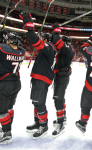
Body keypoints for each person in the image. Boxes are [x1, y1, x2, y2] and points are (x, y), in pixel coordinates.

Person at [19, 11, 58, 139]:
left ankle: (43, 125)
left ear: (46, 39)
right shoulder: (48, 48)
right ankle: (38, 122)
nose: (41, 38)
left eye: (42, 37)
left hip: (42, 79)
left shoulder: (49, 47)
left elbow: (37, 42)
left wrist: (30, 27)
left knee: (39, 102)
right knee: (35, 102)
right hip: (38, 78)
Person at [0, 31, 25, 144]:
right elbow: (11, 48)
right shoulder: (22, 51)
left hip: (5, 84)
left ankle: (6, 133)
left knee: (2, 111)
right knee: (9, 108)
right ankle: (8, 127)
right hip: (16, 83)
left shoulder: (3, 48)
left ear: (9, 40)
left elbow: (4, 49)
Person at [52, 33, 75, 137]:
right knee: (60, 97)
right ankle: (63, 117)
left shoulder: (68, 49)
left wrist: (56, 32)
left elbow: (58, 43)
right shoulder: (65, 50)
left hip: (63, 75)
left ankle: (60, 123)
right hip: (60, 75)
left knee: (58, 98)